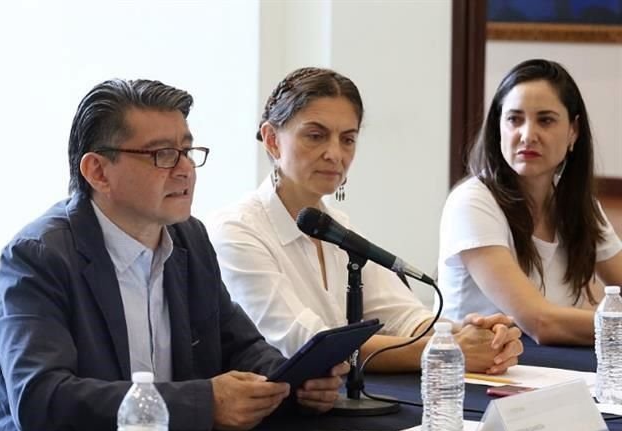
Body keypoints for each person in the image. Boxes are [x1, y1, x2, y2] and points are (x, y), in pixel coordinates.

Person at [0, 78, 348, 431]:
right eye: (162, 154)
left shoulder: (189, 238)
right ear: (98, 171)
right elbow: (42, 398)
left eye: (188, 151)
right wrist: (205, 402)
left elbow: (239, 345)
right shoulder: (39, 255)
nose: (185, 169)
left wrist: (293, 383)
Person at [208, 67, 523, 373]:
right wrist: (448, 350)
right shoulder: (237, 231)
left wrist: (472, 335)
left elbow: (403, 317)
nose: (335, 154)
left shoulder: (338, 227)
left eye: (347, 139)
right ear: (272, 139)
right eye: (316, 136)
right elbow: (307, 345)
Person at [439, 58, 622, 345]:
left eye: (545, 120)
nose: (527, 135)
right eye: (514, 119)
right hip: (480, 377)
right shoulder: (472, 202)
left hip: (552, 373)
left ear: (573, 131)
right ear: (498, 126)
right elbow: (539, 321)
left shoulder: (579, 205)